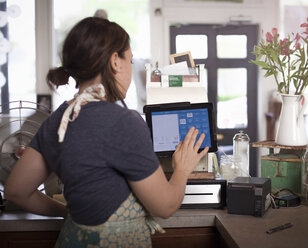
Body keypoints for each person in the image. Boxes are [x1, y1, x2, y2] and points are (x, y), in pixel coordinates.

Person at [4, 17, 209, 247]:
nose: (131, 69)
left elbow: (15, 192)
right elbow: (165, 207)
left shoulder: (56, 120)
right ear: (115, 61)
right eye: (130, 60)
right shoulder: (124, 123)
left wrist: (67, 212)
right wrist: (182, 168)